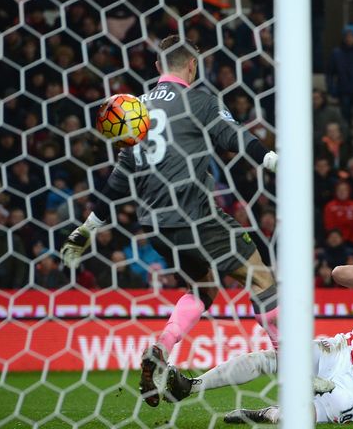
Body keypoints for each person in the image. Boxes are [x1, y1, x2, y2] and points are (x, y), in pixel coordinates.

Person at [58, 35, 280, 408]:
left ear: (158, 67)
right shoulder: (199, 99)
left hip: (155, 225)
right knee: (260, 276)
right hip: (195, 214)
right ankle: (293, 365)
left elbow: (120, 175)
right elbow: (234, 137)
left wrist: (86, 228)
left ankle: (161, 348)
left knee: (205, 287)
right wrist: (272, 160)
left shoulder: (135, 108)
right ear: (192, 65)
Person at [164, 242, 353, 424]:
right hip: (336, 352)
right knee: (268, 358)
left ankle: (262, 414)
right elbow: (338, 275)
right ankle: (190, 386)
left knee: (299, 418)